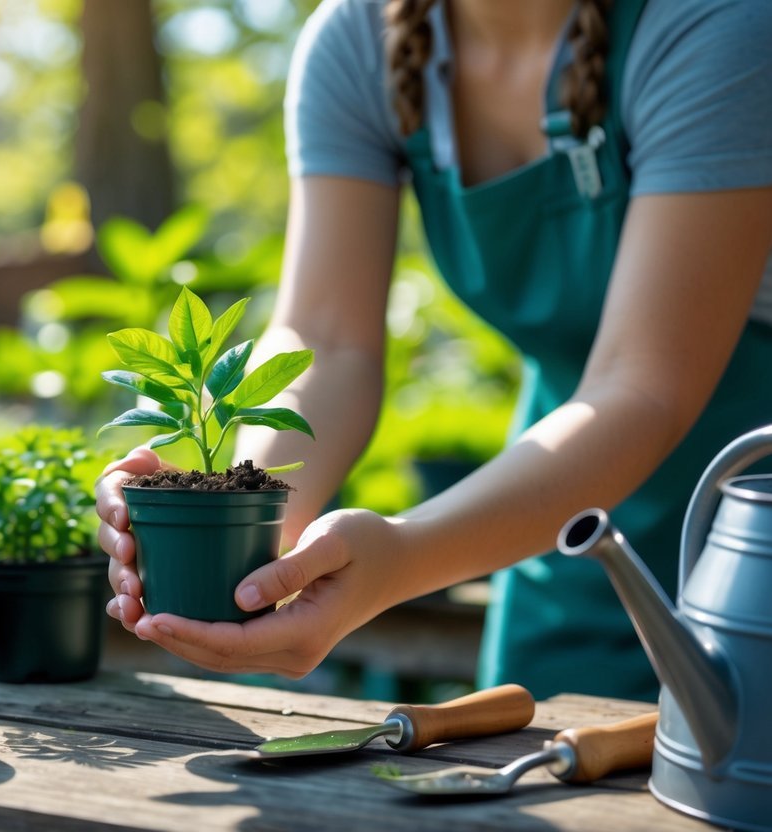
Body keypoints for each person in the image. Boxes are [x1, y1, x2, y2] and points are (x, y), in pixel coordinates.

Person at [96, 0, 772, 701]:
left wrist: (403, 552)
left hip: (754, 513)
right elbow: (324, 341)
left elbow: (644, 384)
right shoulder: (359, 39)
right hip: (552, 507)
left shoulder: (715, 24)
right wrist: (245, 522)